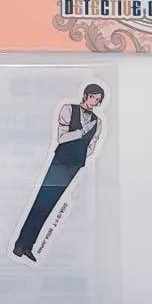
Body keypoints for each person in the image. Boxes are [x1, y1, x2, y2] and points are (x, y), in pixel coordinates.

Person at [13, 84, 105, 262]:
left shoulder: (98, 122)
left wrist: (79, 156)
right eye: (93, 97)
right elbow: (61, 138)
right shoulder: (68, 109)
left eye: (98, 100)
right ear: (86, 95)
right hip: (60, 161)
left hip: (74, 165)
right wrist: (81, 132)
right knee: (41, 201)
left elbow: (91, 146)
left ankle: (28, 247)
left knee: (51, 205)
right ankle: (20, 245)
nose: (94, 101)